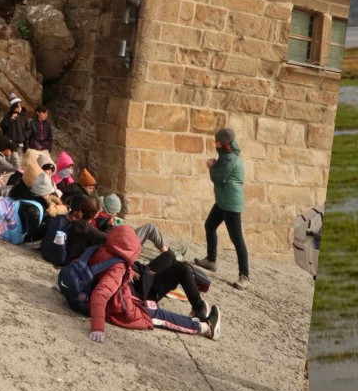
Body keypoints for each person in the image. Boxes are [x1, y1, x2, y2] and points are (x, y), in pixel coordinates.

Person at [82, 224, 218, 342]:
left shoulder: (105, 251)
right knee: (163, 317)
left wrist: (131, 271)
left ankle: (199, 310)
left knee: (175, 262)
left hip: (131, 290)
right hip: (130, 306)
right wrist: (98, 327)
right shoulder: (117, 268)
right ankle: (205, 327)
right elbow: (100, 294)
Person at [193, 127, 250, 285]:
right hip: (222, 202)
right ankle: (211, 261)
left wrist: (211, 166)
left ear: (224, 143)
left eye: (217, 141)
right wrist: (216, 162)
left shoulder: (231, 158)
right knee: (210, 225)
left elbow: (219, 177)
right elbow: (222, 163)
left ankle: (244, 276)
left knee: (237, 239)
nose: (215, 144)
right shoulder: (226, 155)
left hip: (231, 204)